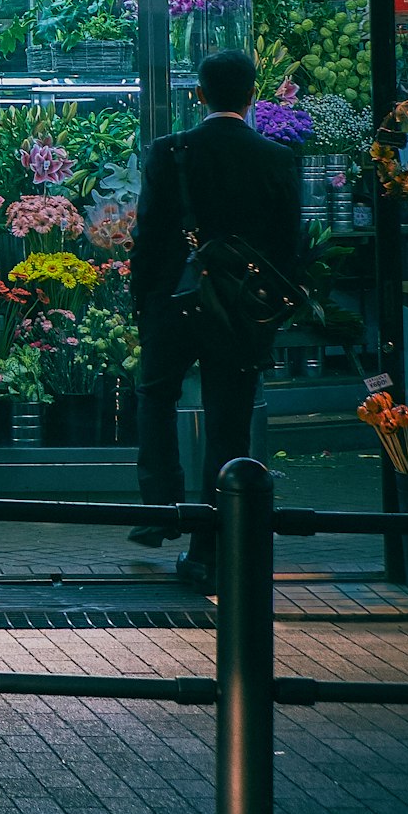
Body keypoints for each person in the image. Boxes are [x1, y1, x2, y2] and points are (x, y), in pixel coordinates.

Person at [127, 48, 300, 589]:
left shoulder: (169, 152)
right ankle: (211, 545)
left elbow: (148, 239)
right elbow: (287, 249)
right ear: (253, 95)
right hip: (240, 311)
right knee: (229, 421)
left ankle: (159, 510)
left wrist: (145, 306)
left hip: (173, 302)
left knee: (156, 396)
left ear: (198, 94)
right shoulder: (276, 159)